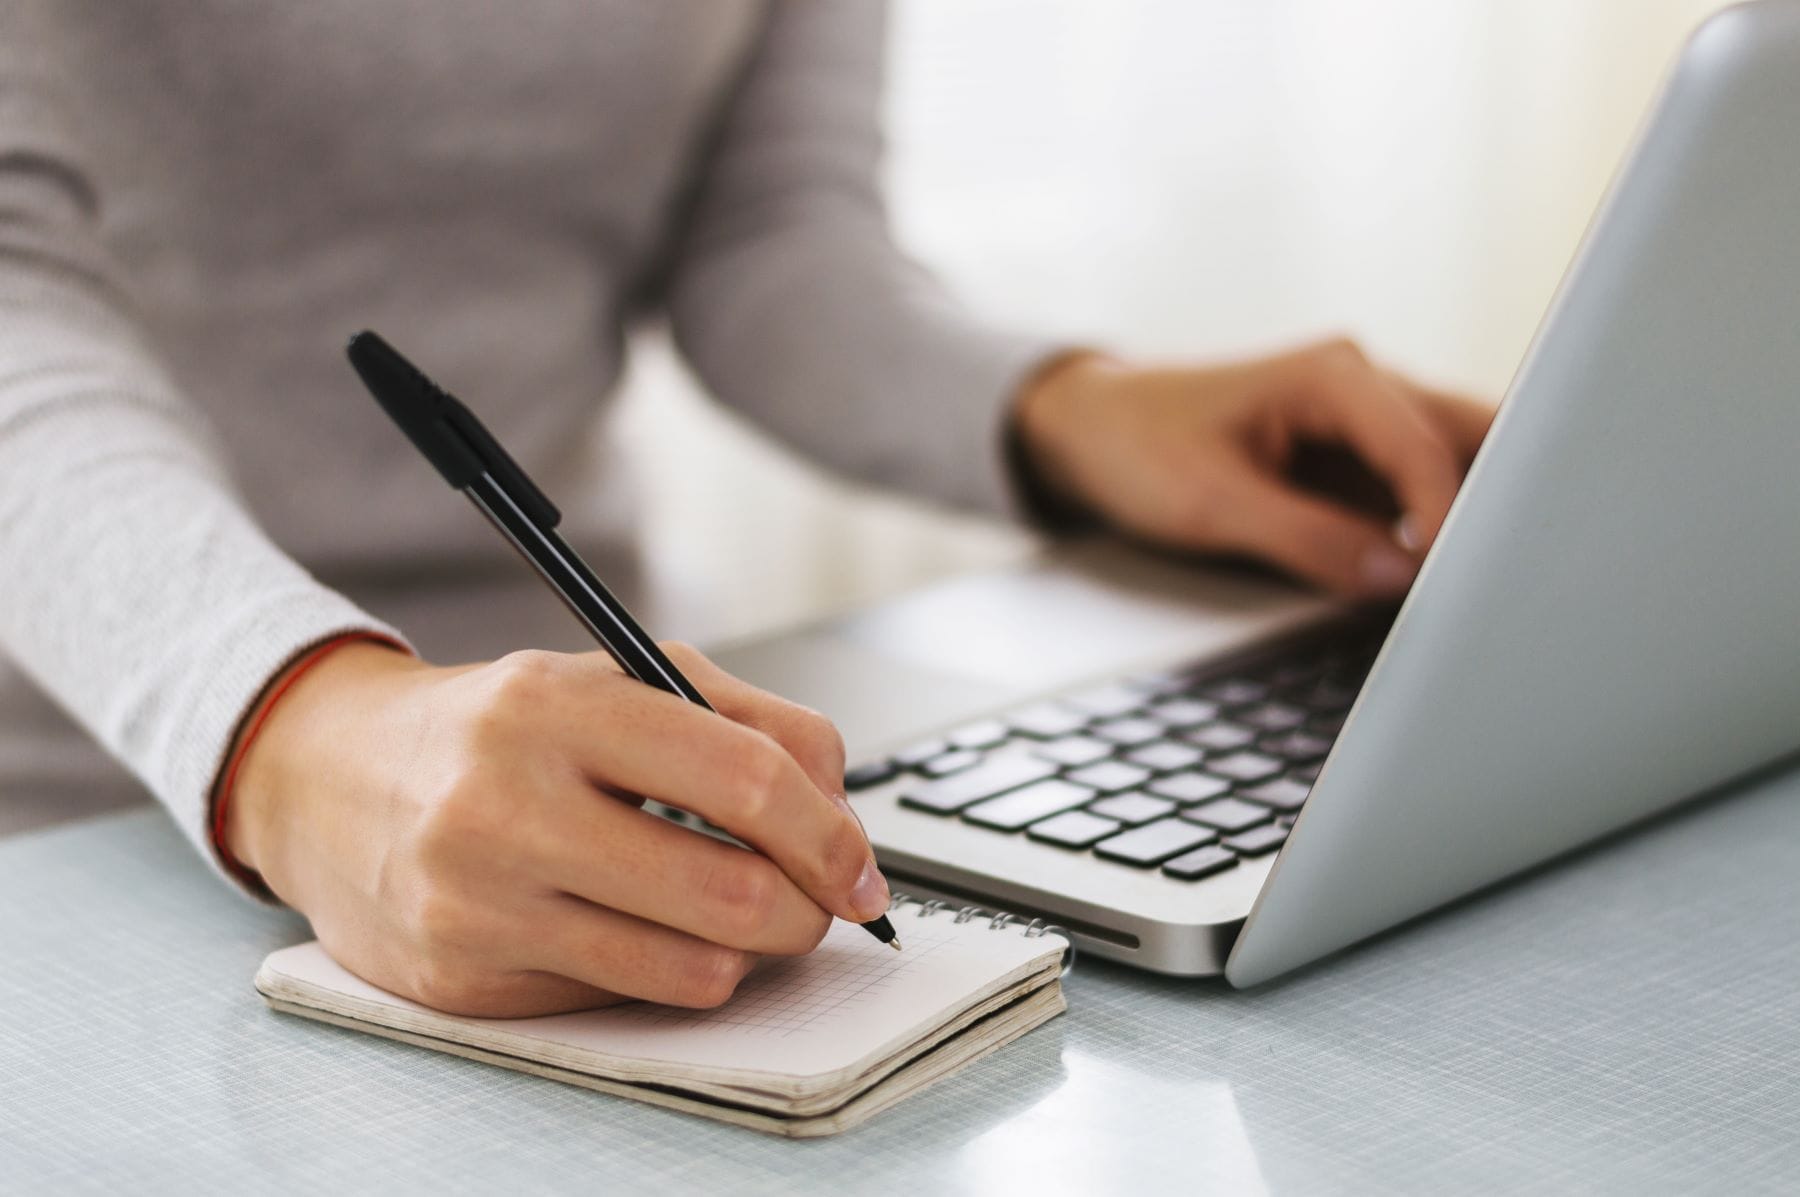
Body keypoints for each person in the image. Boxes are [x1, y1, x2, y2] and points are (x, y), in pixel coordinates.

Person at [0, 4, 1490, 1017]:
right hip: (84, 793)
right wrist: (286, 725)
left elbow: (770, 233)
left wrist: (1072, 408)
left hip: (590, 766)